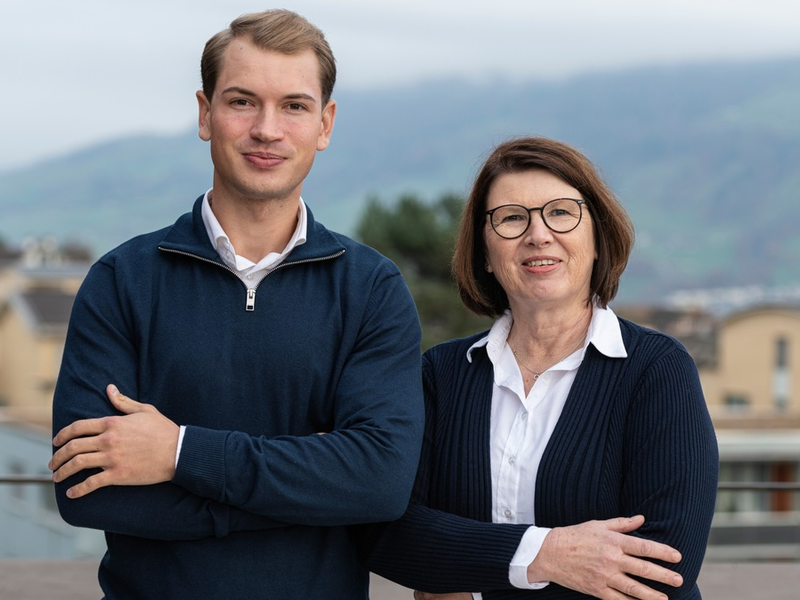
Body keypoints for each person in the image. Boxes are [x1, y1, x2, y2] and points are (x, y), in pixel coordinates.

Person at [48, 10, 425, 599]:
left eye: (294, 106)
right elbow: (86, 487)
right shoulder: (121, 280)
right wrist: (308, 493)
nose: (268, 129)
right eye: (243, 102)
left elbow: (379, 483)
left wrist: (178, 452)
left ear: (325, 124)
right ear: (205, 113)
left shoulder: (371, 289)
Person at [358, 137, 719, 599]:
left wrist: (467, 582)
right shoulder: (440, 375)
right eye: (511, 218)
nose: (538, 234)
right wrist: (546, 553)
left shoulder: (656, 370)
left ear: (596, 237)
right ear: (485, 254)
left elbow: (663, 566)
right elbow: (388, 529)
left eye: (562, 212)